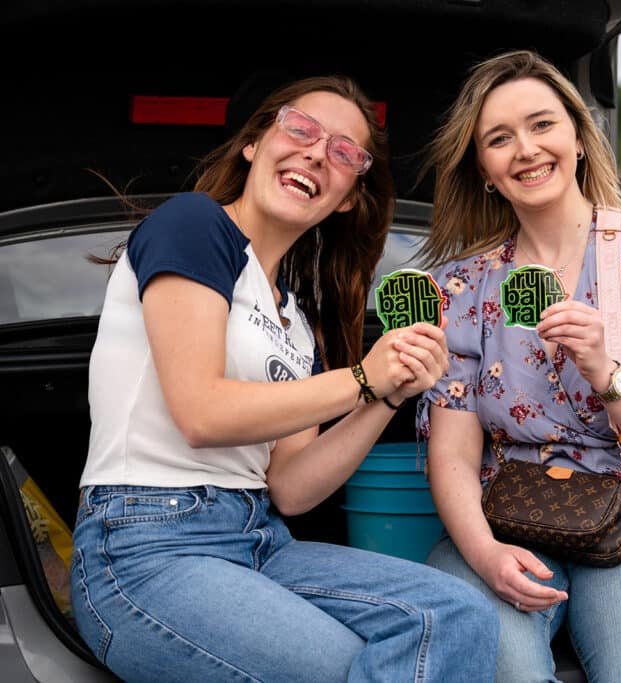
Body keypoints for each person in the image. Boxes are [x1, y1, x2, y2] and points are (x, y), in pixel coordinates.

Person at [72, 74, 498, 682]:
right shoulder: (195, 225)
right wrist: (361, 377)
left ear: (348, 196)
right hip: (145, 546)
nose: (318, 152)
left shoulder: (295, 321)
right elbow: (200, 413)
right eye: (300, 128)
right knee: (344, 668)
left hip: (258, 540)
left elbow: (292, 489)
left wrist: (386, 393)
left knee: (457, 616)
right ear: (255, 144)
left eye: (347, 153)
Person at [415, 50, 621, 682]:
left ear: (580, 139)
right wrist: (485, 553)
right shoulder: (464, 286)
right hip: (505, 518)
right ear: (484, 170)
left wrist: (605, 369)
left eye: (542, 125)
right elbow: (450, 455)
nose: (526, 149)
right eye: (499, 139)